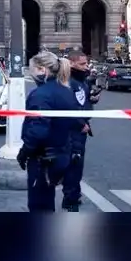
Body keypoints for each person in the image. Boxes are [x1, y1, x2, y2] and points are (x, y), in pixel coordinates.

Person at [18, 51, 83, 212]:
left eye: (33, 69)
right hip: (61, 153)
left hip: (44, 158)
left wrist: (24, 152)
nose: (31, 73)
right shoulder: (65, 90)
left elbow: (38, 130)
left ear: (42, 70)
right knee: (48, 201)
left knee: (39, 205)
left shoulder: (40, 95)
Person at [60, 48, 95, 211]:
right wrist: (81, 124)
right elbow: (69, 107)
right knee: (74, 164)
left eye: (86, 63)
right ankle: (70, 198)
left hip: (80, 128)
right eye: (82, 64)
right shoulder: (70, 81)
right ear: (72, 63)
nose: (86, 66)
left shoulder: (81, 80)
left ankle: (74, 194)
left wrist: (92, 99)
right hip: (75, 130)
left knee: (77, 165)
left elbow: (82, 101)